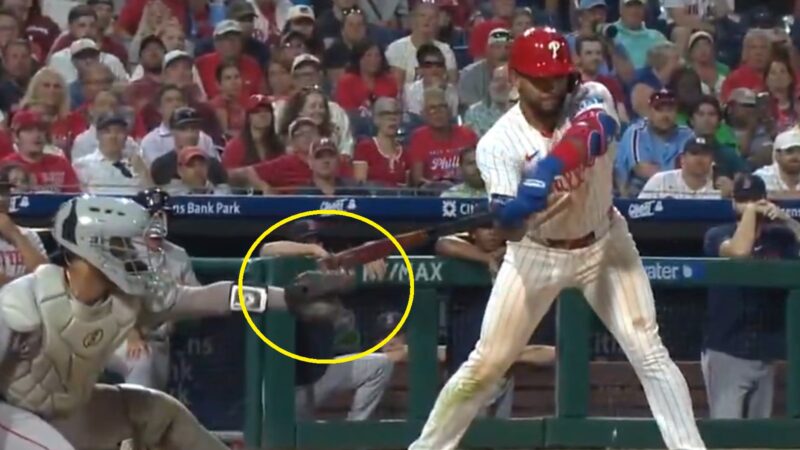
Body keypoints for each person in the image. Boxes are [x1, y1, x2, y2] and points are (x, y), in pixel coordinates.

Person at [408, 27, 706, 450]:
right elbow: (509, 230)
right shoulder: (498, 143)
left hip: (605, 244)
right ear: (515, 78)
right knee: (486, 364)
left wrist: (546, 172)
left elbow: (597, 129)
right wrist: (513, 216)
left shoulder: (590, 94)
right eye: (539, 78)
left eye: (558, 76)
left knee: (649, 351)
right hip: (537, 254)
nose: (552, 87)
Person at [0, 194, 353, 448]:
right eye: (124, 246)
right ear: (93, 251)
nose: (135, 254)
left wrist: (287, 299)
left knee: (160, 414)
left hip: (65, 412)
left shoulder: (127, 298)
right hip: (10, 419)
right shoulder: (23, 301)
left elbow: (210, 298)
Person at [702, 173, 800, 419]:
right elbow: (739, 251)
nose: (750, 204)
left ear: (767, 200)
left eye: (755, 199)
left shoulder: (780, 238)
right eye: (743, 199)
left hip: (766, 351)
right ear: (733, 202)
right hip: (727, 349)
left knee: (758, 438)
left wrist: (789, 221)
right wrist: (750, 214)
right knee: (727, 434)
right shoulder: (716, 235)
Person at [638, 136, 720, 199]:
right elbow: (638, 210)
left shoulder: (719, 189)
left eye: (705, 154)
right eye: (694, 153)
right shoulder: (661, 181)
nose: (699, 159)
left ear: (712, 160)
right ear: (682, 159)